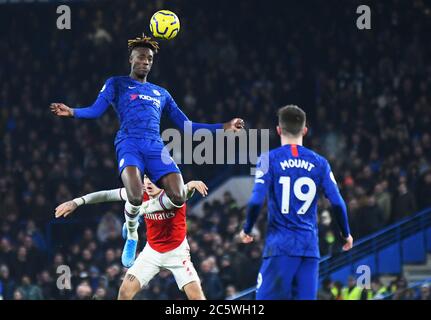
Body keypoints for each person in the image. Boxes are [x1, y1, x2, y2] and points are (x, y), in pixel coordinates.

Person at [50, 35, 245, 267]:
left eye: (150, 58)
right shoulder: (116, 83)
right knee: (134, 194)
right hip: (129, 143)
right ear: (131, 59)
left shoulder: (161, 93)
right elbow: (96, 110)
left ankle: (136, 216)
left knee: (179, 196)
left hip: (155, 146)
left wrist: (224, 127)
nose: (145, 61)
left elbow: (187, 126)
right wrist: (72, 111)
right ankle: (132, 234)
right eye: (141, 57)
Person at [237, 105, 353, 300]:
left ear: (279, 130)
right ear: (305, 130)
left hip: (280, 246)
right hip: (309, 248)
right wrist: (346, 233)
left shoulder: (268, 159)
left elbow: (256, 201)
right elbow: (338, 203)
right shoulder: (320, 162)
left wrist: (247, 229)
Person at [55, 176, 208, 300]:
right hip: (152, 252)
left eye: (152, 179)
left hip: (177, 252)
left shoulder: (174, 193)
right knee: (124, 293)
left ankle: (131, 227)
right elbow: (107, 194)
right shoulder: (139, 193)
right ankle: (131, 230)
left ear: (163, 180)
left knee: (196, 297)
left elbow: (187, 189)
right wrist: (77, 202)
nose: (148, 183)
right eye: (146, 178)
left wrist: (193, 183)